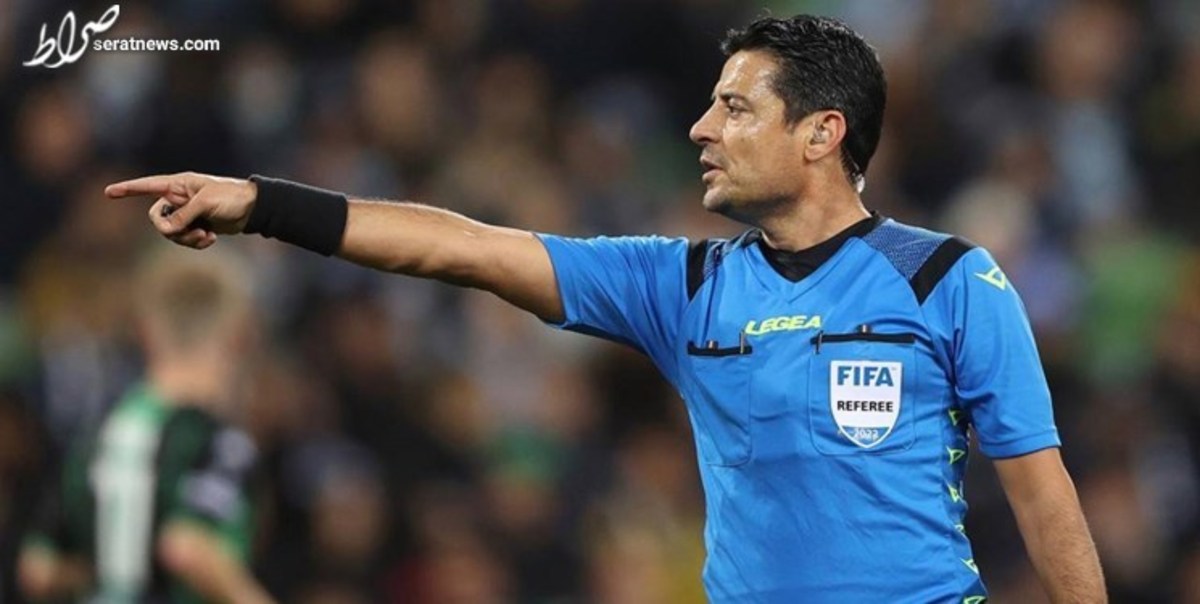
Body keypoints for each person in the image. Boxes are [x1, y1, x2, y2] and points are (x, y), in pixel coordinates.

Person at [104, 14, 1106, 603]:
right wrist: (261, 204)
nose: (700, 127)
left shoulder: (947, 280)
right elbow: (464, 246)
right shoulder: (682, 286)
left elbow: (1042, 495)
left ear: (821, 133)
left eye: (735, 107)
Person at [17, 249, 273, 603]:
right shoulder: (220, 443)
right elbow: (188, 548)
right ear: (240, 336)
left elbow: (38, 569)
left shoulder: (95, 438)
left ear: (145, 333)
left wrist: (111, 581)